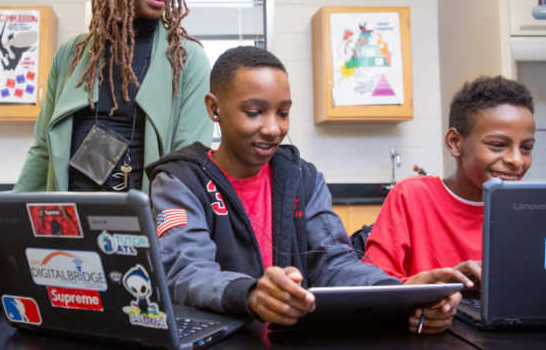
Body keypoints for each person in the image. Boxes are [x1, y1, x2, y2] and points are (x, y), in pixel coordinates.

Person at [146, 46, 462, 333]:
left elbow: (336, 261)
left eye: (283, 113)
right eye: (253, 112)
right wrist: (251, 294)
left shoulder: (303, 178)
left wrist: (400, 295)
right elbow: (185, 272)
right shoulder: (180, 181)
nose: (273, 129)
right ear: (214, 108)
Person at [14, 0, 211, 194]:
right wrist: (10, 215)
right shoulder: (71, 54)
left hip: (147, 215)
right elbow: (43, 150)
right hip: (70, 213)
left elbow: (189, 163)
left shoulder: (187, 60)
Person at [365, 76, 535, 286]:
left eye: (526, 147)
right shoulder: (410, 197)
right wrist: (436, 288)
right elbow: (374, 287)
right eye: (497, 145)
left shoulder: (532, 203)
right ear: (455, 142)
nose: (517, 160)